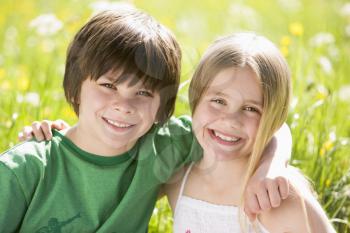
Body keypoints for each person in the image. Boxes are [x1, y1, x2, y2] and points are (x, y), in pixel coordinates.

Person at [6, 8, 290, 233]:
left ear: (161, 106)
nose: (124, 106)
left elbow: (268, 126)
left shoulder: (161, 148)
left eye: (142, 92)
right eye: (109, 86)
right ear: (75, 85)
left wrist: (271, 166)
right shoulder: (26, 170)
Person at [162, 32, 335, 233]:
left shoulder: (281, 199)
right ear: (195, 100)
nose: (230, 121)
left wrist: (274, 163)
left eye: (251, 109)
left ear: (273, 118)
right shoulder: (178, 178)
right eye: (218, 101)